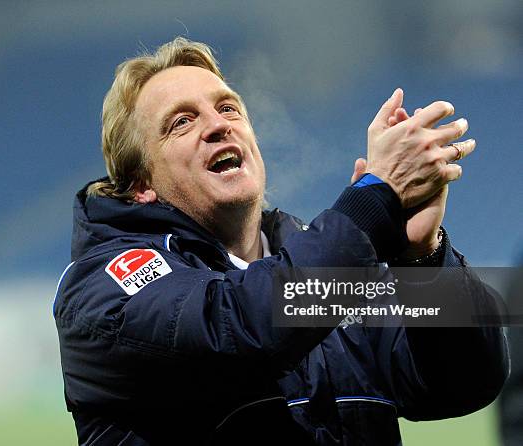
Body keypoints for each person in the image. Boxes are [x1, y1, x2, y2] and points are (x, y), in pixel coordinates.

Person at [54, 37, 508, 445]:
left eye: (228, 108)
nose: (218, 125)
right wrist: (375, 201)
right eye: (181, 122)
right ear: (141, 184)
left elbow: (462, 384)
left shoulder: (327, 262)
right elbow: (238, 328)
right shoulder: (103, 286)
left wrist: (422, 260)